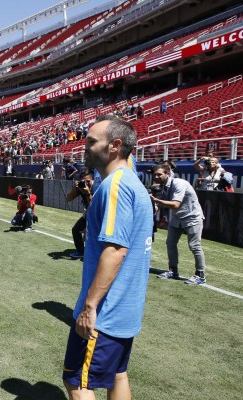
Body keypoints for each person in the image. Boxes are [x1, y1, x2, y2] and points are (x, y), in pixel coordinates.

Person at [62, 115, 153, 399]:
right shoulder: (131, 180)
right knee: (117, 375)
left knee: (77, 382)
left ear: (114, 146)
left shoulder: (116, 185)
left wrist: (90, 306)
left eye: (91, 142)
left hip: (105, 313)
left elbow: (116, 250)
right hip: (125, 309)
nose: (84, 147)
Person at [151, 163, 208, 285]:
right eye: (154, 174)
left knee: (194, 246)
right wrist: (155, 207)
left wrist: (156, 200)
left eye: (159, 174)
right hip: (177, 217)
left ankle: (200, 275)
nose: (156, 177)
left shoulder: (179, 183)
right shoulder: (161, 186)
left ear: (167, 174)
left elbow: (175, 204)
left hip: (192, 217)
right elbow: (162, 203)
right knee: (170, 243)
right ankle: (173, 270)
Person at [66, 169, 94, 259]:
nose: (86, 183)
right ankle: (81, 251)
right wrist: (75, 188)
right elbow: (68, 198)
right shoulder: (82, 187)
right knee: (76, 229)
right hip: (88, 214)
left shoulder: (97, 187)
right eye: (83, 181)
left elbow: (94, 206)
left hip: (98, 215)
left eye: (88, 181)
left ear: (93, 180)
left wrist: (88, 193)